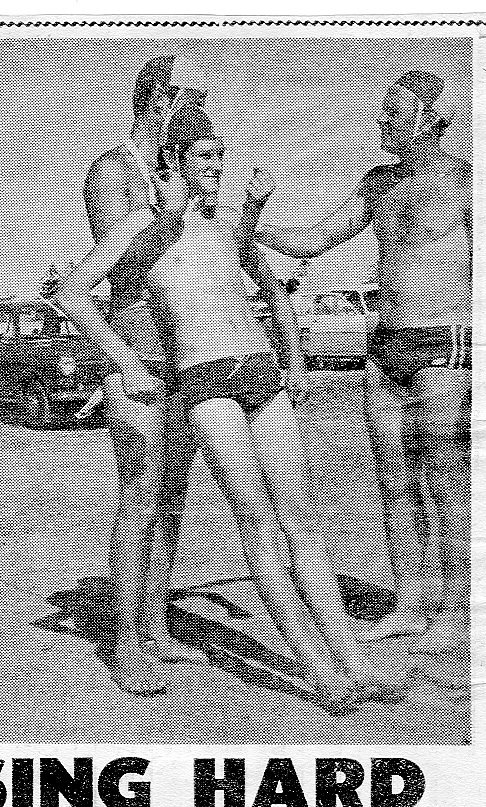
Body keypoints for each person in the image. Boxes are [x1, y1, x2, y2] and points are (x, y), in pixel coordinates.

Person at [59, 101, 408, 713]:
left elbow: (278, 274)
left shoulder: (229, 211)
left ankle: (330, 651)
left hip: (253, 373)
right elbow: (100, 278)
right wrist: (121, 351)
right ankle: (319, 662)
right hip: (190, 379)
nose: (219, 167)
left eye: (222, 154)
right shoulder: (137, 201)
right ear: (172, 151)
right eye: (206, 156)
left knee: (284, 512)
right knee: (219, 515)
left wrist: (292, 351)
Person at [254, 71, 471, 655]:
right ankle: (411, 600)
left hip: (444, 341)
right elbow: (318, 237)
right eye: (382, 112)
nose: (381, 123)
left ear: (428, 116)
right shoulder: (378, 184)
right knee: (393, 480)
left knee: (443, 478)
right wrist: (253, 228)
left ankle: (450, 604)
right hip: (384, 344)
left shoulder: (467, 179)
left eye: (393, 112)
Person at [81, 57, 274, 694]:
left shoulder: (170, 170)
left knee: (166, 502)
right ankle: (127, 646)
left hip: (170, 348)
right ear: (144, 100)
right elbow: (98, 278)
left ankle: (150, 627)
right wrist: (119, 361)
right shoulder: (119, 167)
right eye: (163, 94)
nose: (174, 104)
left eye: (182, 95)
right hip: (134, 351)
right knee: (139, 497)